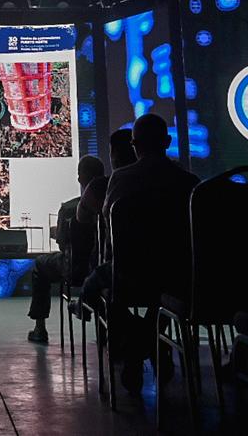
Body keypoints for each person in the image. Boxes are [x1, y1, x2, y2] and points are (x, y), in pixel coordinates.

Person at [102, 112, 200, 394]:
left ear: (134, 145)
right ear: (167, 142)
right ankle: (153, 343)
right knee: (167, 298)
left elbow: (109, 222)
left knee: (99, 290)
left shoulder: (120, 179)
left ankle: (138, 348)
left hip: (130, 277)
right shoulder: (190, 183)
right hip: (181, 278)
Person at [27, 154, 106, 344]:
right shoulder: (110, 202)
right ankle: (104, 332)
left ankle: (40, 328)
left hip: (74, 269)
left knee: (39, 264)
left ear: (81, 177)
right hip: (103, 267)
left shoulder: (70, 208)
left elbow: (62, 244)